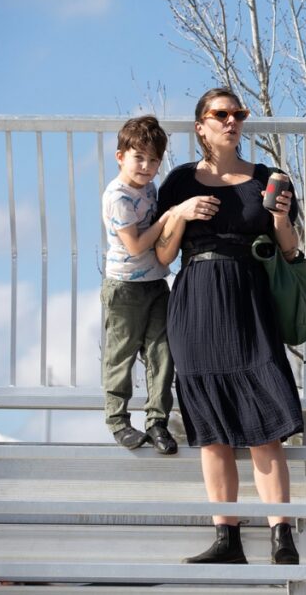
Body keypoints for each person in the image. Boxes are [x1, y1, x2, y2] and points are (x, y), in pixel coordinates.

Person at [155, 88, 304, 565]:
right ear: (200, 125)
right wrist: (180, 213)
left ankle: (282, 534)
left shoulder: (266, 177)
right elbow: (163, 254)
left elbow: (289, 249)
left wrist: (280, 216)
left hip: (248, 296)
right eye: (221, 114)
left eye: (238, 113)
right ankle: (227, 539)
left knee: (265, 423)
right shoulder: (179, 181)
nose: (231, 121)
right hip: (196, 299)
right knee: (211, 429)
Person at [100, 115, 179, 455]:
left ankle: (157, 421)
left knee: (162, 352)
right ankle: (117, 420)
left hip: (155, 283)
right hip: (125, 288)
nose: (147, 167)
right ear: (120, 156)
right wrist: (168, 218)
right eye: (139, 158)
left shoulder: (149, 188)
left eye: (154, 160)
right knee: (122, 354)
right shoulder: (118, 195)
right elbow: (135, 245)